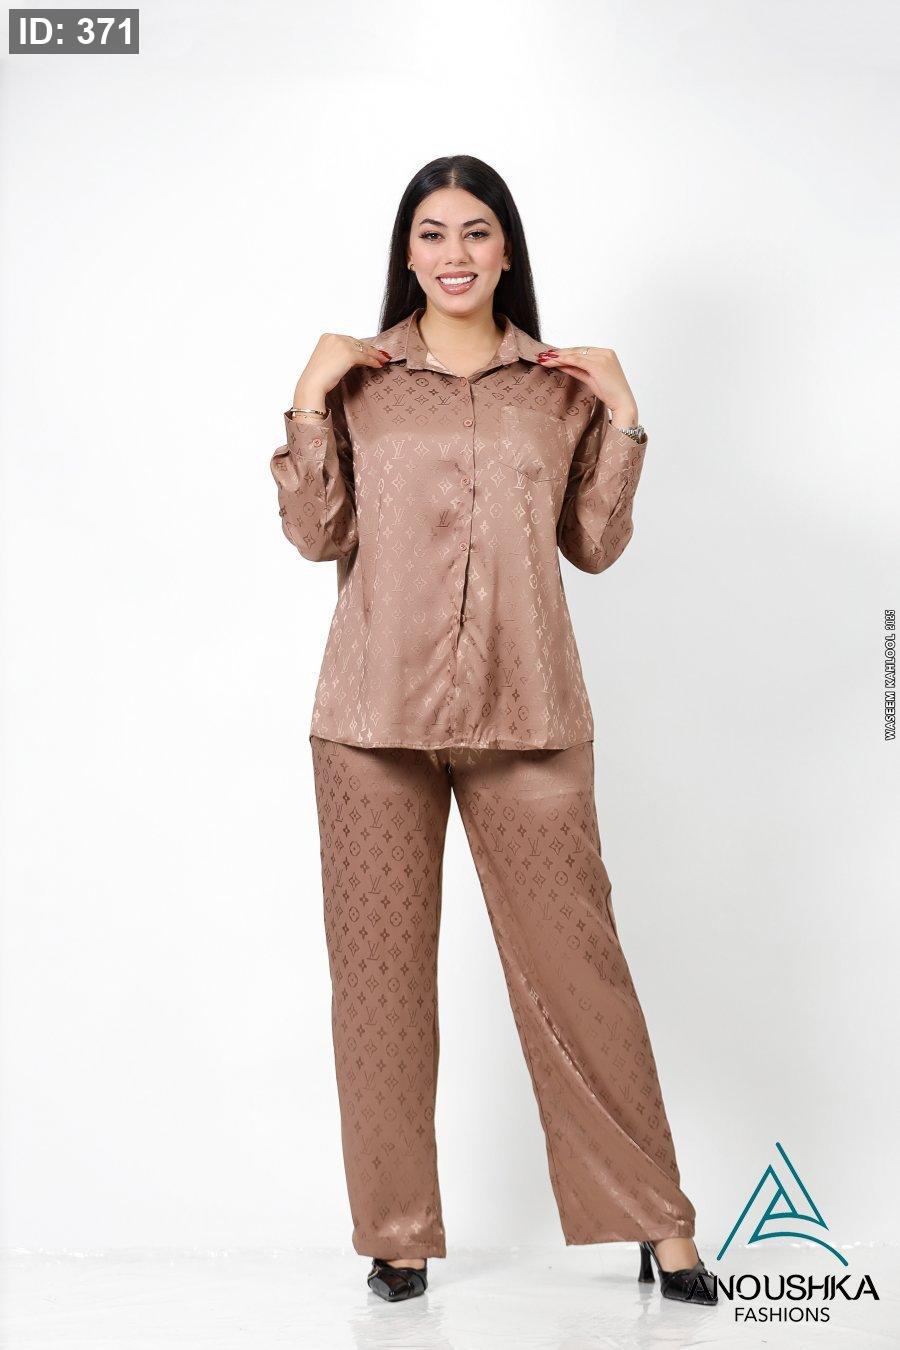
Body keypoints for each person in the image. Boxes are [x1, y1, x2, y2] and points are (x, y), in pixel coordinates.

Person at [269, 154, 717, 1308]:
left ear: (507, 247)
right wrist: (307, 400)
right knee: (379, 986)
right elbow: (317, 536)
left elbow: (594, 546)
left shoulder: (558, 391)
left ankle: (659, 1222)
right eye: (432, 234)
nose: (454, 254)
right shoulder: (362, 385)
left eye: (476, 231)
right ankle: (398, 1235)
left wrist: (624, 416)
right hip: (370, 721)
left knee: (582, 974)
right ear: (406, 253)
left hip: (531, 713)